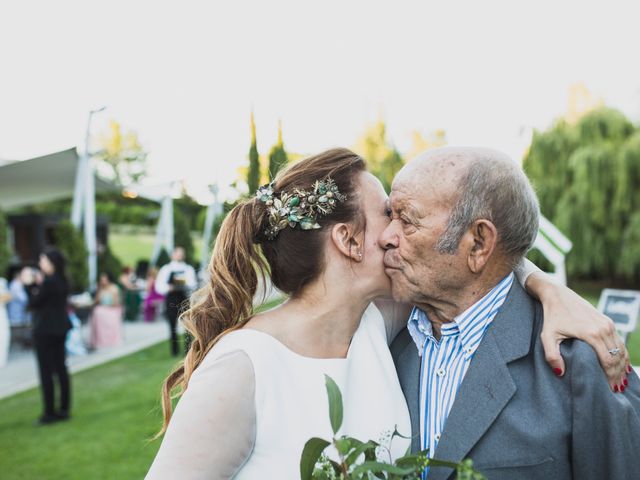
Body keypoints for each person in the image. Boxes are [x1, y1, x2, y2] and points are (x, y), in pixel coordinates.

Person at [146, 149, 625, 479]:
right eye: (388, 215)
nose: (395, 233)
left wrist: (545, 286)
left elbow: (481, 254)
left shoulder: (377, 324)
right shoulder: (245, 367)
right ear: (348, 240)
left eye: (405, 218)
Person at [384, 147, 640, 479]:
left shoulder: (581, 362)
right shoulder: (383, 335)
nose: (386, 237)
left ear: (478, 243)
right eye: (389, 215)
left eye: (406, 220)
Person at [27, 248, 72, 425]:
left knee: (46, 372)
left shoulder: (49, 283)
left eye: (43, 261)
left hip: (45, 331)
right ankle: (64, 409)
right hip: (60, 328)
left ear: (51, 263)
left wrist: (29, 285)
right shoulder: (62, 280)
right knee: (61, 369)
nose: (40, 264)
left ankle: (49, 412)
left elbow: (33, 303)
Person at [154, 247, 197, 356]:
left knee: (187, 324)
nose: (179, 255)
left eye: (181, 253)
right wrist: (169, 287)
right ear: (173, 255)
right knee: (172, 325)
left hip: (184, 298)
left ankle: (188, 350)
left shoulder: (188, 269)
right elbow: (159, 286)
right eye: (177, 253)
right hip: (171, 298)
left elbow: (193, 284)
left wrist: (183, 284)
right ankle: (174, 351)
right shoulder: (166, 269)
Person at [90, 273, 123, 349]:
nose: (103, 282)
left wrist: (106, 306)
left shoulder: (114, 288)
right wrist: (99, 290)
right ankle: (98, 339)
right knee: (97, 311)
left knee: (99, 312)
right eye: (101, 280)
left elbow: (116, 303)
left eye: (104, 280)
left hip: (112, 309)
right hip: (102, 308)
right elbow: (96, 301)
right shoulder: (101, 289)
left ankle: (108, 339)